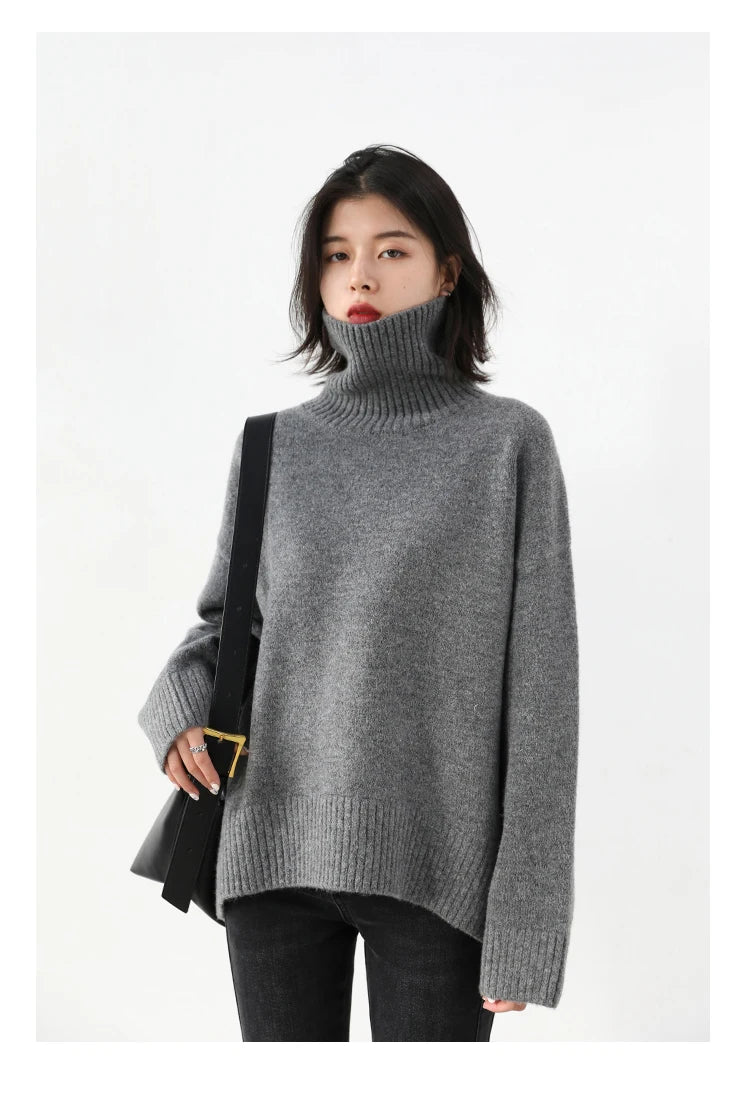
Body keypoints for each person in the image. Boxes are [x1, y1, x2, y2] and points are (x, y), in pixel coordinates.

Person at [137, 144, 580, 1042]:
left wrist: (527, 925)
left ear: (447, 271)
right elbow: (226, 628)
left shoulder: (507, 445)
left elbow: (543, 698)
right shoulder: (273, 444)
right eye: (337, 254)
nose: (360, 275)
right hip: (270, 853)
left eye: (391, 249)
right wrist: (176, 710)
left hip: (438, 873)